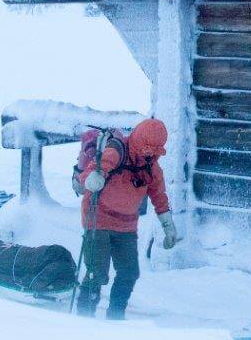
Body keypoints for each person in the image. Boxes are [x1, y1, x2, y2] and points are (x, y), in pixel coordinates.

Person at [73, 117, 179, 319]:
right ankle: (83, 318)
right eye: (148, 149)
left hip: (126, 225)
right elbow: (90, 172)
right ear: (139, 142)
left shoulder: (152, 167)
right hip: (98, 218)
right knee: (98, 274)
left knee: (129, 273)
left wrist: (168, 226)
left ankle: (116, 317)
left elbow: (159, 197)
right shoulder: (116, 153)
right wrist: (92, 179)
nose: (151, 155)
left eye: (155, 151)